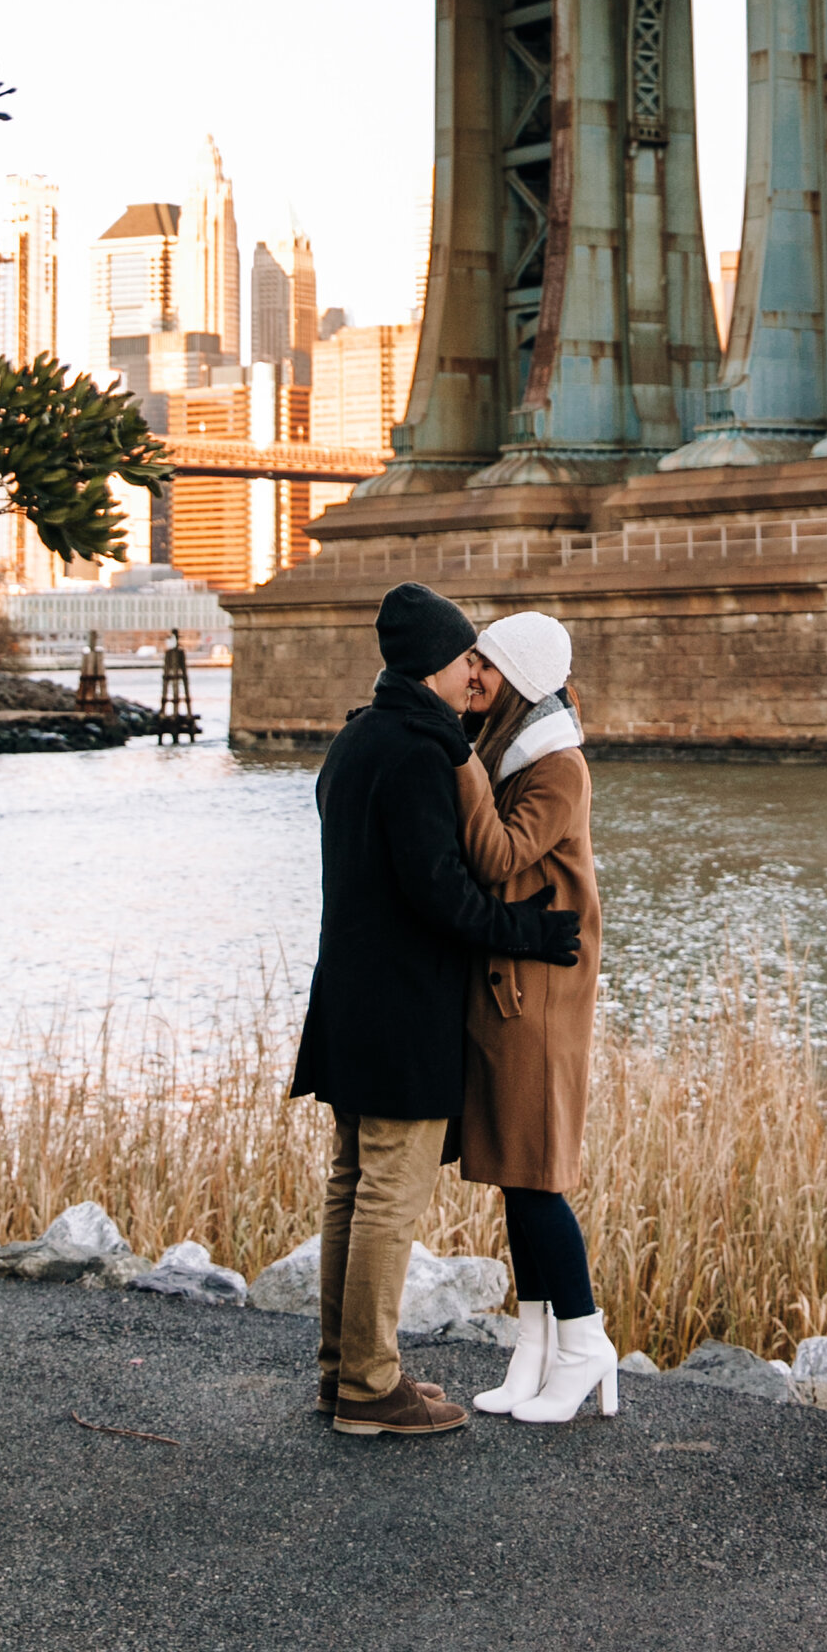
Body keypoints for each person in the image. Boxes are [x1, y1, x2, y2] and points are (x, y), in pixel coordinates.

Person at [290, 580, 582, 1439]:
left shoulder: (355, 741)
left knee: (351, 1188)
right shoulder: (420, 752)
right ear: (433, 667)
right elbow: (443, 896)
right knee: (387, 1196)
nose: (472, 675)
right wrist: (528, 930)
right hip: (402, 1010)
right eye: (465, 659)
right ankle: (373, 1388)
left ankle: (342, 1374)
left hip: (346, 1002)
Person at [451, 609, 614, 1425]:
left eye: (483, 664)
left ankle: (584, 1346)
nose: (469, 675)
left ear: (516, 679)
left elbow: (500, 856)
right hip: (514, 982)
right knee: (520, 1175)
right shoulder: (512, 754)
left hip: (541, 989)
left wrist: (457, 762)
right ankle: (535, 1351)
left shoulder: (555, 767)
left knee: (537, 1175)